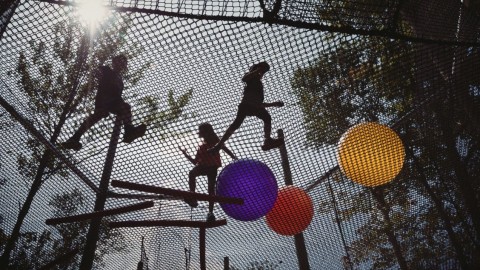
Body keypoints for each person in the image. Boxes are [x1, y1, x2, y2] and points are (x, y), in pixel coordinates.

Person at [62, 54, 146, 151]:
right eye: (118, 62)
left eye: (123, 63)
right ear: (114, 63)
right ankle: (75, 138)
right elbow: (96, 72)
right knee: (98, 115)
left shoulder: (120, 81)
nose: (120, 64)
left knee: (125, 107)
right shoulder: (107, 70)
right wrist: (97, 71)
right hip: (103, 100)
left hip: (114, 103)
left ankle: (129, 132)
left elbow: (118, 96)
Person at [208, 61, 284, 153]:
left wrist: (274, 104)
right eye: (261, 71)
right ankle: (219, 145)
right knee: (236, 124)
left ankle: (267, 140)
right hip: (246, 106)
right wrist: (258, 70)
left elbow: (258, 104)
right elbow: (245, 78)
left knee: (267, 118)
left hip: (254, 107)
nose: (262, 74)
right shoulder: (252, 78)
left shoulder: (259, 84)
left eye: (263, 72)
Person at [179, 122, 236, 222]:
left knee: (211, 191)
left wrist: (233, 157)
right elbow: (195, 162)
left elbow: (224, 148)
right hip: (203, 167)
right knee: (192, 173)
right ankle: (193, 197)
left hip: (212, 168)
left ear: (206, 131)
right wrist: (185, 154)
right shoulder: (201, 146)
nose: (198, 133)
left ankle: (210, 212)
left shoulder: (215, 141)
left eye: (200, 131)